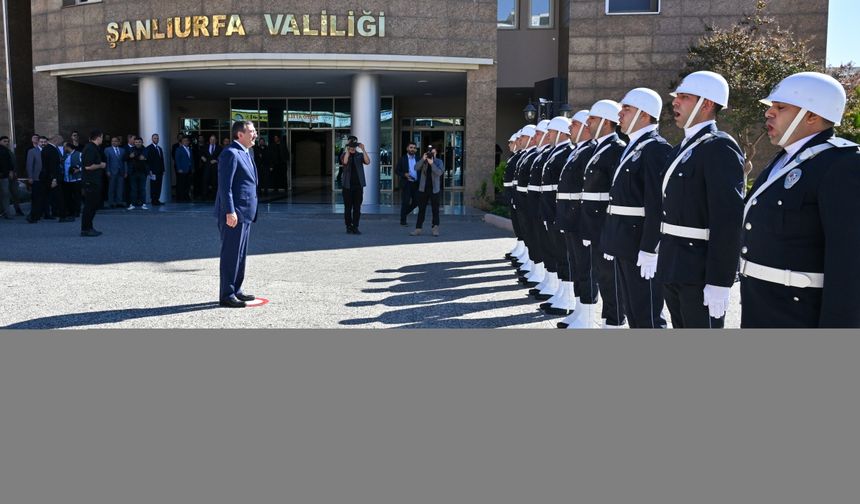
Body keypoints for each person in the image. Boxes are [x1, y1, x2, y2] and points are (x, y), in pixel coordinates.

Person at [740, 72, 860, 327]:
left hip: (798, 314)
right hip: (760, 307)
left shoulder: (841, 165)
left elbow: (849, 264)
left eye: (780, 107)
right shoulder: (783, 160)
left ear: (812, 116)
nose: (768, 113)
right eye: (771, 107)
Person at [659, 71, 745, 328]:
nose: (675, 102)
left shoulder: (719, 147)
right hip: (674, 264)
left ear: (706, 104)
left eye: (684, 97)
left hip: (699, 270)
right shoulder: (683, 149)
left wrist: (720, 280)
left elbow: (728, 220)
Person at [601, 88, 672, 328]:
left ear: (644, 114)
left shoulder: (656, 149)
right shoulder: (633, 146)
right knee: (634, 312)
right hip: (624, 241)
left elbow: (657, 205)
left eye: (626, 109)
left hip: (639, 244)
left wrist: (650, 247)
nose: (619, 114)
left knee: (647, 314)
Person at [569, 100, 627, 328]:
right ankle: (605, 319)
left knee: (610, 277)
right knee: (600, 275)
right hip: (593, 223)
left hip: (604, 224)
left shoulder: (616, 148)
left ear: (605, 121)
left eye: (592, 119)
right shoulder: (599, 148)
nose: (588, 123)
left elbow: (616, 192)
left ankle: (614, 321)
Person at [214, 120, 259, 308]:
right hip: (234, 213)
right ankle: (226, 294)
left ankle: (237, 289)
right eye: (251, 131)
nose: (255, 134)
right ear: (239, 134)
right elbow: (226, 187)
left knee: (240, 254)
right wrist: (230, 211)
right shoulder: (230, 153)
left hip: (246, 213)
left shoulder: (246, 152)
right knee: (231, 254)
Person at [410, 145, 444, 236]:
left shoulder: (439, 162)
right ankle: (418, 229)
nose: (431, 155)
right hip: (423, 189)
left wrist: (432, 163)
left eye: (432, 153)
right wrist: (422, 159)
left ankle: (435, 228)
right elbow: (415, 168)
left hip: (434, 189)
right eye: (429, 153)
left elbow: (439, 172)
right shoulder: (424, 162)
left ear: (436, 153)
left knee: (435, 210)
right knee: (421, 210)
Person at [339, 139, 370, 234]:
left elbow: (368, 162)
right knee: (348, 208)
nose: (352, 147)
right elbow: (345, 162)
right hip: (347, 186)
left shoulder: (359, 155)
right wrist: (348, 150)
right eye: (351, 145)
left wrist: (363, 150)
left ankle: (355, 226)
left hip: (358, 186)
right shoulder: (344, 154)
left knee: (357, 208)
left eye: (354, 145)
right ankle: (348, 226)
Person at [80, 130, 106, 237]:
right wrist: (101, 165)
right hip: (90, 182)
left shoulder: (93, 148)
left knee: (93, 205)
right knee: (89, 206)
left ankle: (89, 227)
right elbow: (88, 166)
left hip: (94, 181)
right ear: (98, 137)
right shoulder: (90, 148)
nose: (102, 139)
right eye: (102, 137)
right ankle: (86, 229)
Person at [395, 142, 419, 226]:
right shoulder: (403, 159)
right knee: (405, 202)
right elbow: (397, 170)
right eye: (411, 147)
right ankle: (403, 221)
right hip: (407, 183)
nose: (413, 149)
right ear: (407, 149)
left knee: (416, 202)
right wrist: (404, 174)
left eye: (414, 148)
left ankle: (404, 213)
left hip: (416, 184)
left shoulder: (418, 158)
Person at [104, 136, 127, 208]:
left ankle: (119, 202)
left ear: (118, 142)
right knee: (111, 188)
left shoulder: (123, 150)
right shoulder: (107, 150)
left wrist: (126, 171)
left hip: (121, 171)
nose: (114, 142)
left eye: (116, 141)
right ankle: (111, 202)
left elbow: (125, 162)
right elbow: (107, 161)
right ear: (111, 142)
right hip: (111, 171)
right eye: (112, 141)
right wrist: (107, 170)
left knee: (120, 188)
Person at [62, 141, 83, 219]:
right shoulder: (64, 155)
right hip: (66, 180)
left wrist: (78, 169)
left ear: (68, 147)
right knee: (68, 197)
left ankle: (77, 211)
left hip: (76, 180)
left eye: (64, 147)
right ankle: (70, 211)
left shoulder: (79, 154)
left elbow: (85, 165)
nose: (63, 148)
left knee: (76, 196)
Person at [126, 137, 148, 209]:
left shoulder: (145, 149)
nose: (138, 143)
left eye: (139, 142)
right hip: (133, 172)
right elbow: (126, 157)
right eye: (136, 142)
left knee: (142, 189)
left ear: (142, 142)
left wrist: (134, 156)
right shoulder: (130, 149)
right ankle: (132, 204)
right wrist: (130, 156)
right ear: (134, 143)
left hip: (142, 172)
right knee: (133, 189)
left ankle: (143, 204)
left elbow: (142, 157)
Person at [145, 133, 165, 206]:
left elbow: (162, 160)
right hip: (153, 171)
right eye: (155, 138)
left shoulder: (159, 148)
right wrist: (149, 170)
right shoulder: (149, 148)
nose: (156, 139)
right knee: (153, 186)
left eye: (157, 138)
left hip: (160, 171)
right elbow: (147, 161)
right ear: (152, 139)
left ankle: (157, 199)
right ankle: (153, 200)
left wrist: (163, 169)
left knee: (159, 185)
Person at [174, 136, 194, 202]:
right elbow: (177, 160)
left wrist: (192, 168)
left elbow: (191, 160)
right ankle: (181, 198)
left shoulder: (190, 149)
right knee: (181, 184)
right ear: (182, 142)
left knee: (187, 184)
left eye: (186, 141)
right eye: (184, 141)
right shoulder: (179, 149)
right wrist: (179, 168)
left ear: (188, 142)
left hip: (189, 170)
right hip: (182, 170)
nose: (185, 142)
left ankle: (186, 197)